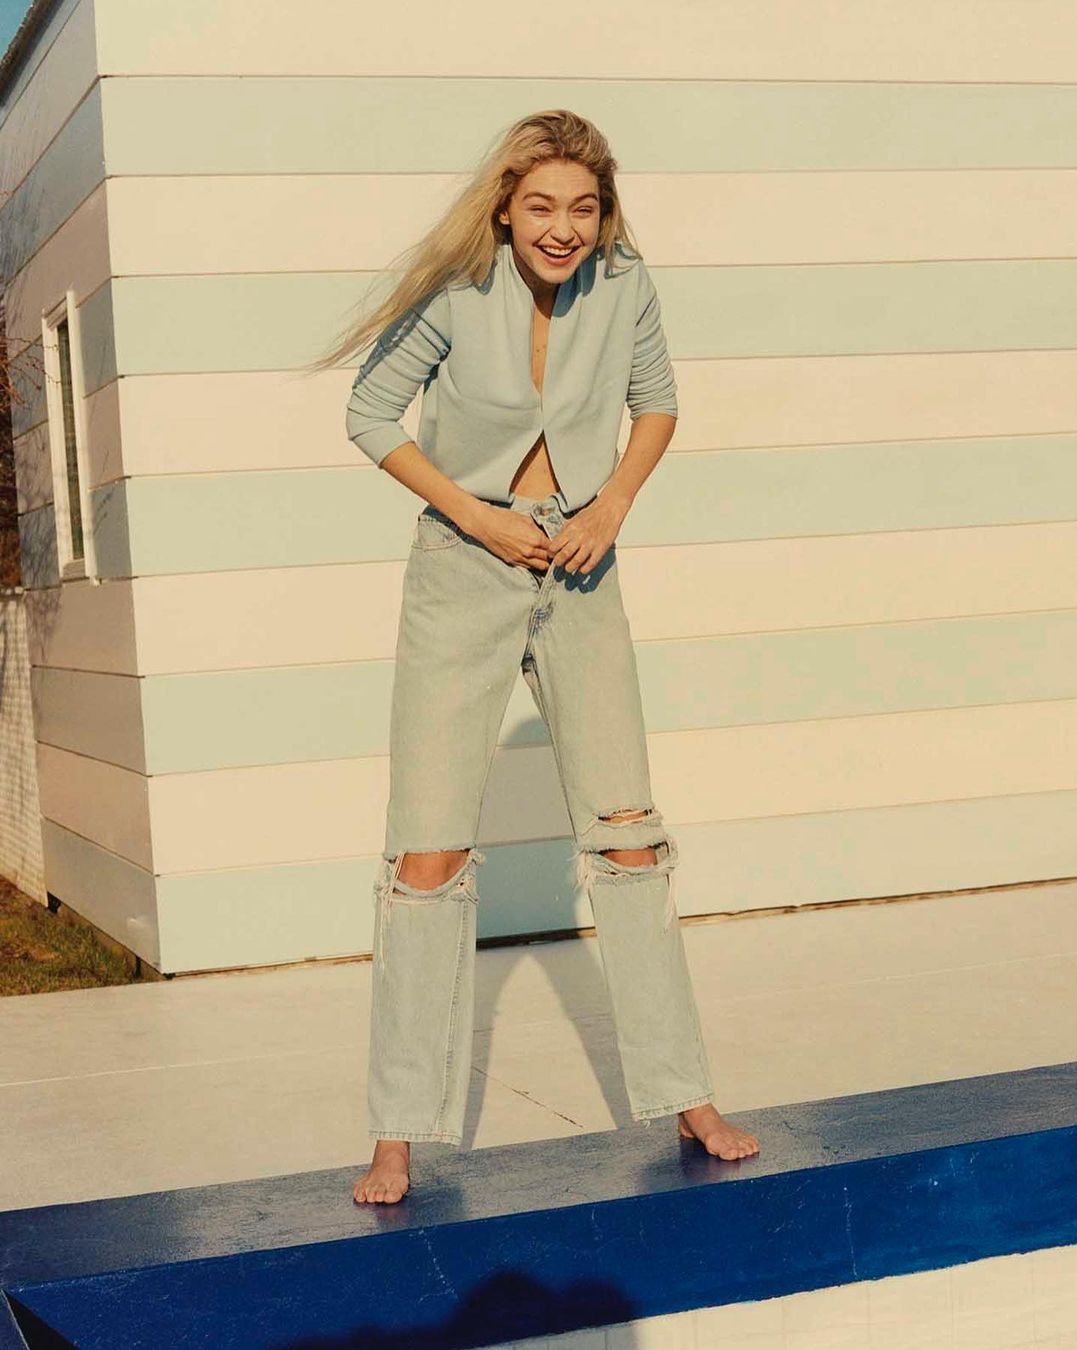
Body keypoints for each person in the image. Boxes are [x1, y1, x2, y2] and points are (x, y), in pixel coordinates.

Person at [312, 109, 760, 1205]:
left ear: (604, 213)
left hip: (583, 571)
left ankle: (687, 1094)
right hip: (463, 572)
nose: (564, 227)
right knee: (426, 858)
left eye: (584, 207)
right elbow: (371, 415)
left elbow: (658, 406)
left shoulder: (626, 285)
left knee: (632, 843)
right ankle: (397, 1133)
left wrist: (610, 506)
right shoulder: (455, 291)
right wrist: (477, 516)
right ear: (506, 209)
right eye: (543, 206)